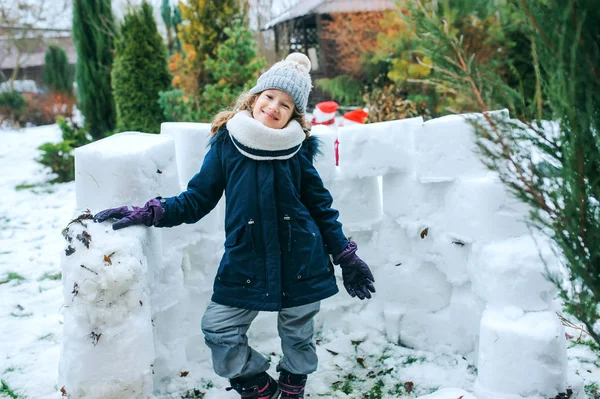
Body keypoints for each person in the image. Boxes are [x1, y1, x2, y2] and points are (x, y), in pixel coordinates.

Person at [93, 53, 376, 399]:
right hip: (247, 260)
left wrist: (345, 256)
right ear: (255, 97)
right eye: (270, 96)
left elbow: (320, 207)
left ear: (294, 116)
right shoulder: (227, 142)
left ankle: (292, 389)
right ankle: (257, 386)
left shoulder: (298, 151)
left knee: (298, 335)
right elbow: (197, 198)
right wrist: (152, 212)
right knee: (218, 328)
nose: (273, 107)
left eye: (285, 105)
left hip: (302, 259)